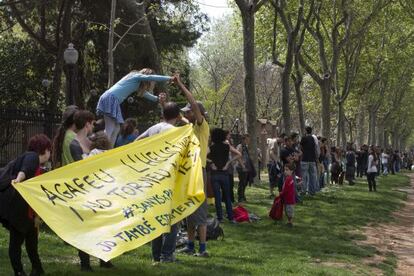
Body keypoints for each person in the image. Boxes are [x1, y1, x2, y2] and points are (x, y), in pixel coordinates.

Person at [135, 101, 182, 263]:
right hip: (168, 178)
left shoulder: (154, 128)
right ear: (177, 116)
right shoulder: (175, 131)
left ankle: (156, 255)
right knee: (173, 217)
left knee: (156, 217)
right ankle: (167, 255)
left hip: (152, 177)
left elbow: (137, 142)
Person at [0, 134, 51, 276]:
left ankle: (37, 270)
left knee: (31, 243)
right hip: (18, 211)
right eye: (49, 150)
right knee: (16, 243)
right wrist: (19, 179)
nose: (50, 153)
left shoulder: (40, 169)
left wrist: (37, 216)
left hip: (28, 212)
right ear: (45, 150)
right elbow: (25, 169)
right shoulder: (32, 156)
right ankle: (19, 271)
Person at [69, 110, 113, 271]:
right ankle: (94, 261)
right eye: (92, 123)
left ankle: (96, 261)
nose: (93, 126)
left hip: (95, 191)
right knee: (94, 227)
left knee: (96, 226)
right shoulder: (75, 144)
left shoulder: (91, 146)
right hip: (93, 193)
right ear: (87, 123)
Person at [174, 74, 210, 257]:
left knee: (200, 210)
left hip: (199, 173)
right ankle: (190, 245)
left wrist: (180, 84)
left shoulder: (202, 126)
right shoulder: (191, 127)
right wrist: (161, 102)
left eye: (188, 112)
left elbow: (194, 104)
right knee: (188, 209)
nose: (186, 114)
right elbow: (174, 116)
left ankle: (203, 249)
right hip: (189, 173)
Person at [96, 68, 174, 145]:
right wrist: (170, 78)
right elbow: (150, 77)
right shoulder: (135, 76)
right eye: (150, 81)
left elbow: (147, 95)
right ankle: (101, 148)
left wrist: (158, 99)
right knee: (110, 127)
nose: (150, 82)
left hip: (112, 100)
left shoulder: (137, 84)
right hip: (110, 98)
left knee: (116, 128)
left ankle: (108, 150)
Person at [207, 128, 242, 223]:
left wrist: (211, 163)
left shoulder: (211, 147)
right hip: (225, 174)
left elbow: (201, 156)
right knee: (227, 196)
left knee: (217, 197)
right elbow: (239, 154)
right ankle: (231, 218)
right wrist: (228, 163)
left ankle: (220, 218)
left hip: (215, 174)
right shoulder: (227, 146)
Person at [235, 134, 256, 202]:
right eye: (247, 139)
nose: (248, 141)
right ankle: (240, 197)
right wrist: (242, 165)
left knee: (245, 182)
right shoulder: (240, 146)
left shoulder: (245, 146)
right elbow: (238, 156)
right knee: (242, 182)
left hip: (246, 167)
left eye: (248, 139)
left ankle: (243, 195)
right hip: (241, 167)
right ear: (243, 139)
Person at [300, 126, 318, 195]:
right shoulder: (313, 139)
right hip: (312, 159)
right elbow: (315, 148)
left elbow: (301, 147)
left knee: (304, 176)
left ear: (305, 131)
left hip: (305, 159)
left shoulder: (304, 138)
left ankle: (303, 190)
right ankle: (312, 191)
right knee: (312, 176)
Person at [280, 163, 296, 227]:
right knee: (287, 210)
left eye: (287, 170)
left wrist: (281, 193)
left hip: (289, 199)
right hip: (287, 198)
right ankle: (289, 221)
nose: (285, 171)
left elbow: (286, 189)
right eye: (284, 170)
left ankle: (290, 222)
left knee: (289, 211)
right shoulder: (288, 178)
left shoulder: (289, 179)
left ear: (291, 171)